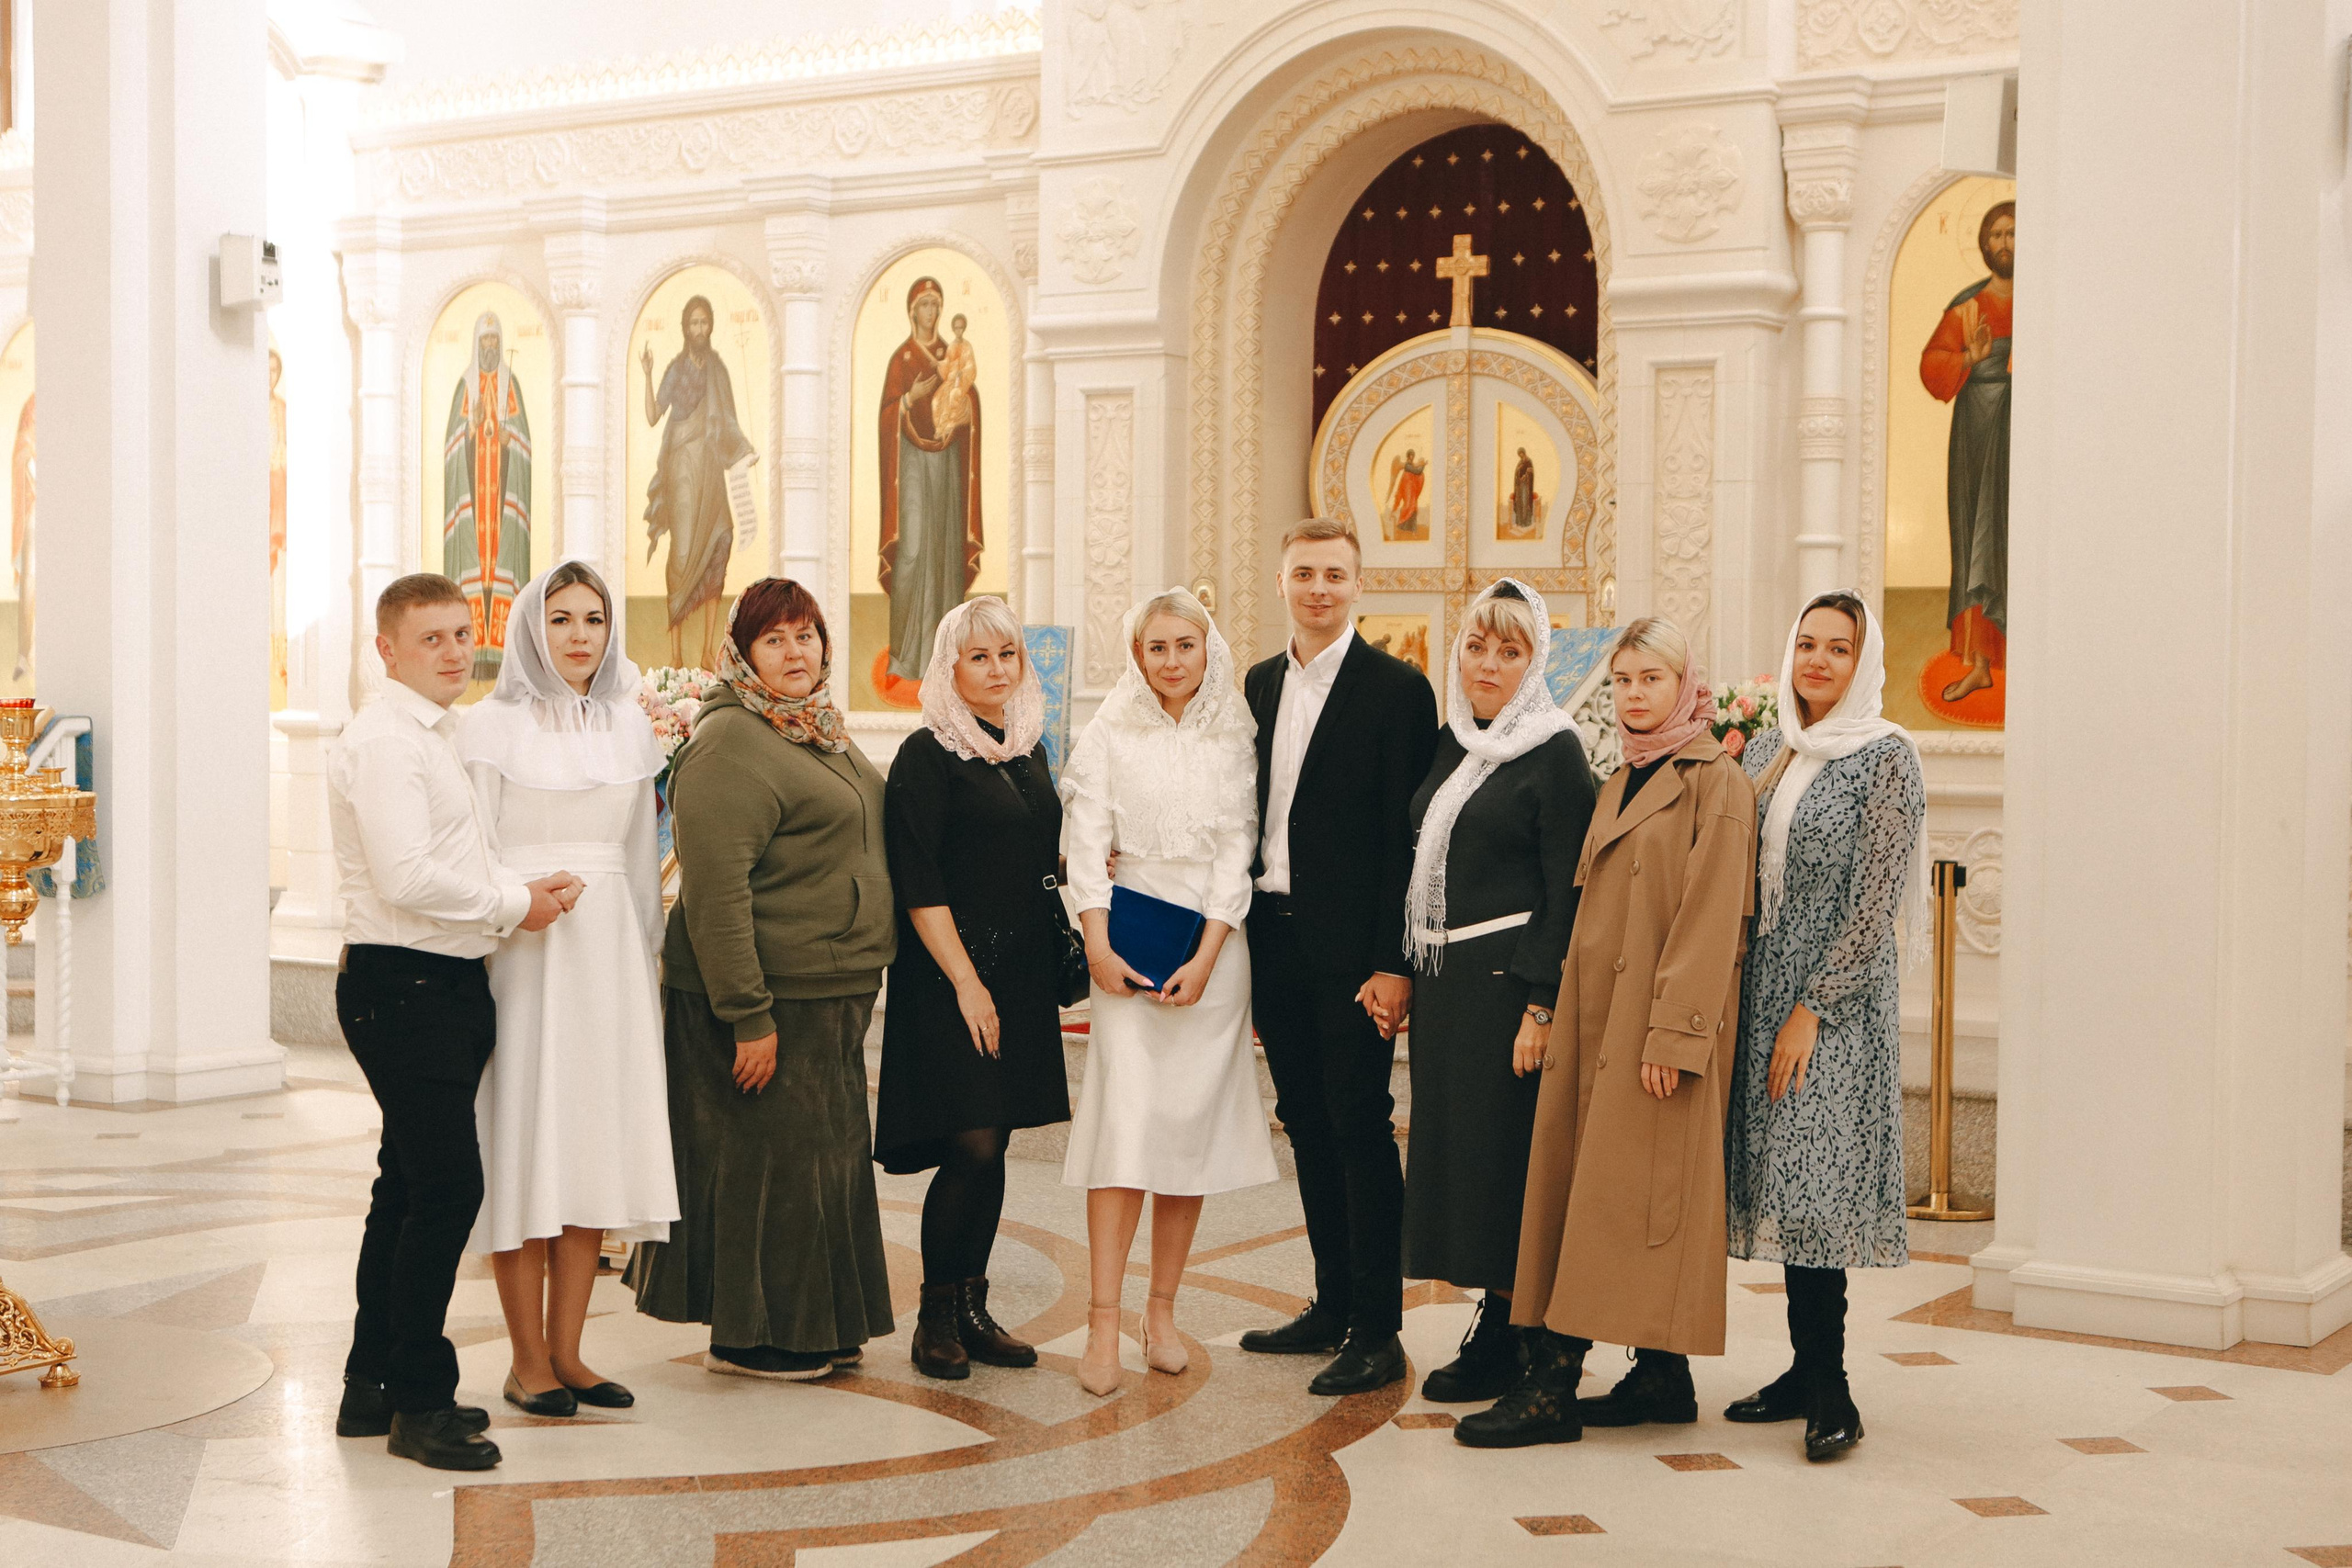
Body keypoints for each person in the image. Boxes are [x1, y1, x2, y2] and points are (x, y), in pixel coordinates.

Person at [1456, 615, 1756, 1450]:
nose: (1633, 694)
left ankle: (1553, 1382)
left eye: (1650, 679)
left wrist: (1675, 1037)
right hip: (1597, 1024)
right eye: (1622, 680)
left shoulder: (1713, 782)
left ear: (1684, 683)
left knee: (1624, 1203)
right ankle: (1662, 1372)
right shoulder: (1624, 774)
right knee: (1599, 1194)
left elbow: (1710, 920)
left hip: (1655, 1034)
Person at [327, 572, 580, 1472]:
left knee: (404, 1189)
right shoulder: (389, 741)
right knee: (446, 1191)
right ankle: (422, 1403)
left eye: (460, 632)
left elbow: (449, 862)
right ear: (387, 649)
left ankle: (373, 1387)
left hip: (440, 983)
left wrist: (520, 890)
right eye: (429, 637)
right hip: (404, 989)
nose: (452, 650)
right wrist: (517, 903)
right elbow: (406, 880)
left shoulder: (434, 736)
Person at [627, 581, 899, 1382]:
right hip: (767, 991)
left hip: (829, 987)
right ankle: (753, 1335)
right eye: (775, 640)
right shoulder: (730, 742)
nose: (797, 653)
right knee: (765, 1169)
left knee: (822, 1164)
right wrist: (748, 1014)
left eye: (807, 635)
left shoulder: (816, 730)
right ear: (743, 654)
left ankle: (816, 1321)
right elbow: (715, 891)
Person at [456, 563, 678, 1418]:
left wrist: (644, 962)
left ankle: (571, 1351)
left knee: (588, 1143)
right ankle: (525, 1360)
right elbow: (473, 850)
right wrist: (511, 911)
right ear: (528, 628)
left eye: (594, 618)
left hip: (608, 952)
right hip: (522, 950)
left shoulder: (629, 726)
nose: (580, 634)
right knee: (525, 1144)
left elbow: (634, 859)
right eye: (560, 618)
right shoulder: (487, 728)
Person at [1723, 592, 1928, 1461]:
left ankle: (1832, 1385)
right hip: (1766, 986)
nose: (1816, 661)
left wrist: (1811, 1008)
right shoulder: (1768, 749)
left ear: (1863, 662)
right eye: (1805, 643)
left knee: (1815, 1183)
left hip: (1834, 1004)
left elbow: (1875, 899)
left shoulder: (1888, 757)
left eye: (1837, 649)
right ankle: (1806, 1371)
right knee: (1784, 1179)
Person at [1059, 589, 1279, 1395]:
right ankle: (1101, 1320)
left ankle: (1160, 1311)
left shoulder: (1234, 732)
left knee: (1184, 1136)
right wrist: (1097, 946)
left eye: (1186, 644)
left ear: (1207, 648)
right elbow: (1083, 844)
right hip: (1125, 948)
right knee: (1125, 1131)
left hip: (1212, 957)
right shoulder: (1110, 729)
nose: (1173, 660)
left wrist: (1212, 953)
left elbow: (1238, 847)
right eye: (1157, 647)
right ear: (1137, 653)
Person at [1238, 517, 1439, 1396]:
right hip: (1271, 936)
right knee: (1306, 1122)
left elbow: (1409, 838)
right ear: (1280, 582)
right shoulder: (1254, 685)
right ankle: (1329, 1301)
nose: (1319, 588)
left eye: (1335, 575)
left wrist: (1395, 960)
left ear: (1359, 586)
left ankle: (1377, 1325)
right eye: (1304, 573)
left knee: (1359, 1124)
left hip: (1356, 952)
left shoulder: (1397, 690)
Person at [1399, 580, 1594, 1404]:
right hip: (1448, 992)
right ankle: (1491, 1319)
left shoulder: (1555, 752)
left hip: (1508, 991)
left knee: (1510, 1164)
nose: (1488, 664)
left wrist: (1541, 1003)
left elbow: (1569, 891)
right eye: (1477, 646)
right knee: (1466, 1165)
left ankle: (1523, 1335)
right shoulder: (1455, 742)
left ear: (1535, 661)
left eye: (1509, 651)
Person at [878, 596, 1071, 1380]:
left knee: (996, 1144)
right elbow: (918, 881)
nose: (996, 670)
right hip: (952, 977)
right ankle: (933, 1316)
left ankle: (973, 1307)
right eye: (978, 657)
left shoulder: (1028, 749)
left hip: (1019, 975)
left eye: (1007, 655)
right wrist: (965, 981)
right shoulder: (928, 755)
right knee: (971, 1140)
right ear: (949, 668)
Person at [1919, 200, 2015, 705]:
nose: (2004, 244)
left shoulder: (2047, 298)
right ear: (1983, 244)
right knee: (1979, 538)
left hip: (2030, 432)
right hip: (1978, 431)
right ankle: (1980, 663)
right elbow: (1933, 367)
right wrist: (1967, 357)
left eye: (2014, 234)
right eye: (1995, 235)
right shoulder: (1968, 305)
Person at [876, 277, 984, 684]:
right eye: (924, 305)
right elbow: (888, 412)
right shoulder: (902, 358)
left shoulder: (953, 353)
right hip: (912, 464)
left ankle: (946, 662)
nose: (931, 312)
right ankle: (905, 657)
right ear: (911, 310)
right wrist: (910, 398)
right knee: (914, 550)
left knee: (943, 551)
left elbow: (968, 395)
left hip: (947, 461)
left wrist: (966, 412)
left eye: (936, 305)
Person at [642, 293, 757, 671]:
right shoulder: (675, 370)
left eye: (704, 322)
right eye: (693, 323)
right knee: (682, 550)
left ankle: (708, 651)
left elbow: (729, 420)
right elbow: (653, 415)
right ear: (684, 328)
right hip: (681, 464)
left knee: (718, 543)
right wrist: (646, 374)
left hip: (710, 466)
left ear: (711, 326)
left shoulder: (717, 369)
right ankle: (675, 653)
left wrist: (742, 450)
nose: (699, 329)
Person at [442, 312, 533, 681]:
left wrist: (512, 440)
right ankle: (472, 654)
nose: (491, 347)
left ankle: (504, 657)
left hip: (502, 495)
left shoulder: (512, 386)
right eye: (485, 342)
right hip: (474, 499)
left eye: (495, 341)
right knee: (476, 565)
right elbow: (451, 447)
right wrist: (470, 427)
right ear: (476, 345)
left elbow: (525, 444)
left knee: (501, 565)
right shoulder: (465, 387)